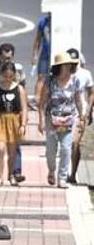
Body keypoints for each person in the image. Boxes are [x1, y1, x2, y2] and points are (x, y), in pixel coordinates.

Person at [38, 52, 85, 188]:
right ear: (60, 66)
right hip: (51, 120)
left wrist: (81, 117)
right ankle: (51, 171)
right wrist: (41, 121)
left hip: (69, 120)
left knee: (66, 148)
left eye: (70, 64)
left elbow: (78, 100)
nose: (68, 66)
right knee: (51, 150)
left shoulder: (75, 80)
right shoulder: (50, 81)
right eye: (66, 64)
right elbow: (42, 103)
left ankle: (62, 177)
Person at [0, 62, 28, 186]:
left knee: (12, 151)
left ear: (14, 75)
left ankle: (11, 174)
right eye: (6, 76)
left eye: (11, 76)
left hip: (14, 120)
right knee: (0, 148)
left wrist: (23, 124)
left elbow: (24, 108)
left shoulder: (19, 89)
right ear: (2, 74)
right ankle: (0, 176)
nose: (8, 79)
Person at [67, 48, 94, 183]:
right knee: (65, 145)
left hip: (79, 114)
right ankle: (63, 171)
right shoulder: (61, 73)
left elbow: (91, 92)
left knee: (74, 144)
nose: (72, 65)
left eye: (74, 62)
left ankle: (72, 174)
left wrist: (89, 111)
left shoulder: (85, 74)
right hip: (62, 114)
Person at [31, 13, 51, 108]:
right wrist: (35, 55)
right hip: (45, 54)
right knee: (41, 77)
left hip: (58, 54)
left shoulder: (61, 20)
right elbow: (38, 39)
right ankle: (37, 100)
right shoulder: (43, 22)